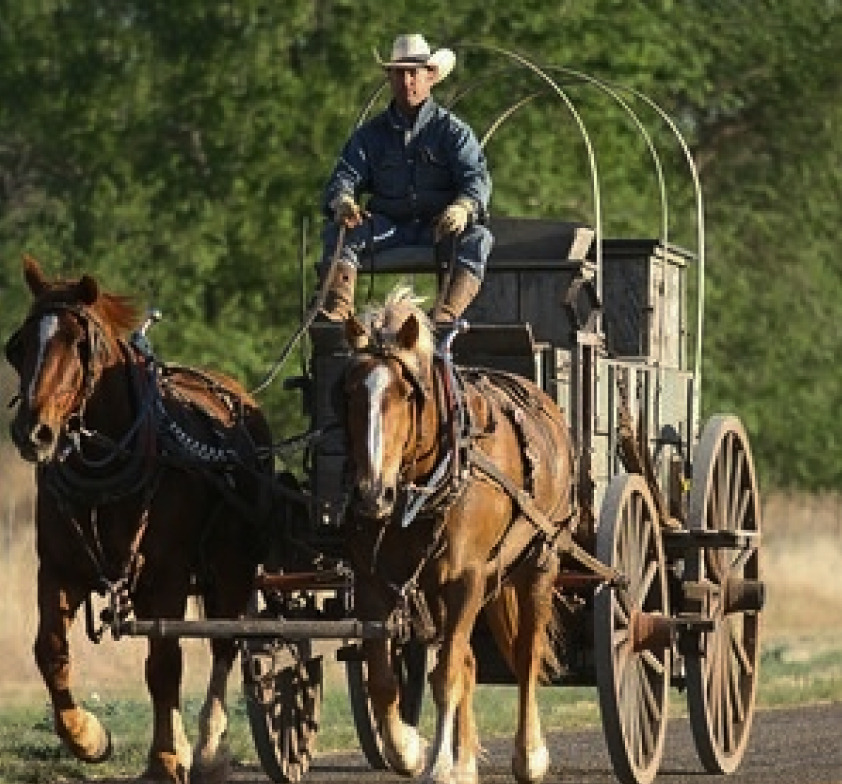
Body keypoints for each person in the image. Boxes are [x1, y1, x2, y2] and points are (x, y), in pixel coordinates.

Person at [318, 33, 493, 323]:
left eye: (413, 73)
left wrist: (463, 207)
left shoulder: (453, 132)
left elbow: (475, 177)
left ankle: (444, 317)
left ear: (430, 77)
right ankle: (339, 311)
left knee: (478, 239)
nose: (407, 81)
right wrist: (343, 201)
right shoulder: (369, 136)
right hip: (386, 226)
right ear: (390, 78)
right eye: (399, 74)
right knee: (338, 233)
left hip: (438, 228)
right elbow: (345, 175)